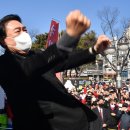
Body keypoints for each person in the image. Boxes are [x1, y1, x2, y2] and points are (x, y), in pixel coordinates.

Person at [0, 10, 111, 130]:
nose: (24, 33)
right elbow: (35, 64)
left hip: (85, 121)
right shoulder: (4, 65)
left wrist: (94, 50)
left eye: (25, 30)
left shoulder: (36, 54)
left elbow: (65, 61)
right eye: (18, 31)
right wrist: (69, 38)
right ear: (3, 40)